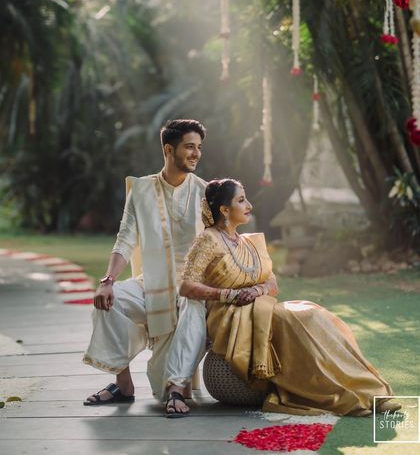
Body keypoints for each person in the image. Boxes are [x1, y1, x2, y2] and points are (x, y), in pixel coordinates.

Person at [179, 178, 401, 416]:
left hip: (260, 305)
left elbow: (272, 283)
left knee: (312, 314)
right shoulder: (208, 239)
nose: (249, 205)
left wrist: (257, 290)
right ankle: (344, 397)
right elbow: (186, 286)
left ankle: (370, 391)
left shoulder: (248, 242)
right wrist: (229, 294)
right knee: (292, 320)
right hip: (229, 315)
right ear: (224, 209)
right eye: (241, 200)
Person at [83, 119, 208, 417]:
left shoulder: (206, 193)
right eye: (189, 146)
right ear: (169, 149)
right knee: (106, 303)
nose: (196, 153)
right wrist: (108, 280)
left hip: (191, 288)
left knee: (192, 309)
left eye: (199, 147)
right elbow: (125, 239)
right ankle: (123, 385)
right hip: (150, 283)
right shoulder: (140, 190)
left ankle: (176, 387)